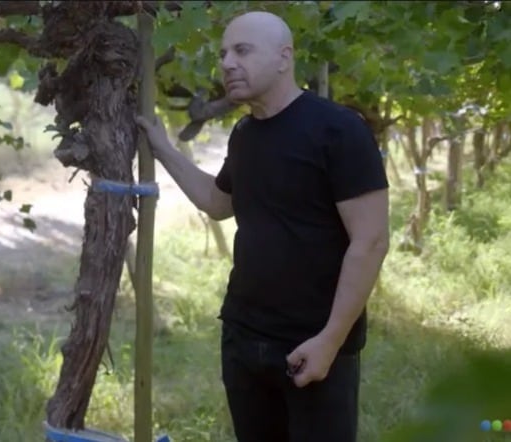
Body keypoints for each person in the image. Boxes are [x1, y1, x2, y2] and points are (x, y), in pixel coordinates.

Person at [136, 11, 390, 442]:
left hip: (311, 346)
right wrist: (162, 149)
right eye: (223, 54)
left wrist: (329, 341)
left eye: (242, 50)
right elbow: (219, 204)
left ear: (283, 57)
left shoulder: (339, 130)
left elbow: (371, 241)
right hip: (243, 337)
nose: (228, 63)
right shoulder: (245, 134)